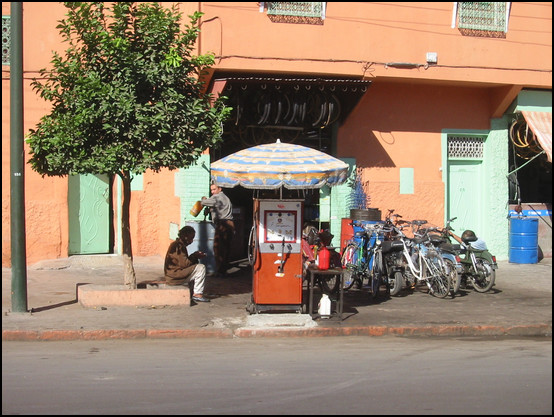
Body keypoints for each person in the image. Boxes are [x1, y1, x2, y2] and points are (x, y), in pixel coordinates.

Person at [164, 226, 210, 303]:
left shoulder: (179, 245)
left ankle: (193, 292)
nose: (191, 241)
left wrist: (194, 257)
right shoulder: (178, 246)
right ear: (184, 236)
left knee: (195, 266)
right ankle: (197, 294)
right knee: (200, 268)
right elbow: (184, 264)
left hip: (173, 276)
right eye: (190, 238)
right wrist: (195, 256)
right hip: (174, 277)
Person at [201, 183, 235, 277]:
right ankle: (222, 270)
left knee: (219, 248)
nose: (212, 192)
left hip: (223, 224)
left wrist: (203, 199)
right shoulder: (224, 198)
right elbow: (216, 207)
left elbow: (203, 202)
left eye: (214, 189)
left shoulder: (218, 197)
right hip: (227, 223)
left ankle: (221, 271)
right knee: (224, 248)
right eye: (211, 190)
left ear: (220, 189)